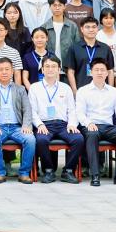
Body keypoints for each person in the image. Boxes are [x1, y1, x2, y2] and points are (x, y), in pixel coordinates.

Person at [76, 59, 116, 186]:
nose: (99, 72)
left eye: (102, 70)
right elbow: (80, 113)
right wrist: (88, 123)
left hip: (109, 127)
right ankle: (95, 175)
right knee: (92, 135)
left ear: (107, 73)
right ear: (91, 72)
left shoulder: (114, 91)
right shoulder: (83, 91)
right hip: (91, 126)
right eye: (96, 70)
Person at [28, 56, 83, 184]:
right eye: (47, 66)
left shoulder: (65, 88)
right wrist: (39, 125)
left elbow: (72, 110)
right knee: (41, 140)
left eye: (54, 66)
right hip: (44, 124)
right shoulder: (35, 88)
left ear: (59, 70)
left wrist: (72, 124)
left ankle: (68, 170)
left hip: (63, 125)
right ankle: (48, 171)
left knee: (78, 139)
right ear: (42, 69)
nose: (50, 69)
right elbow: (32, 111)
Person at [0, 58, 35, 184]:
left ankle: (24, 173)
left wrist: (26, 125)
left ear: (12, 71)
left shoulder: (20, 89)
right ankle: (0, 173)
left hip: (17, 127)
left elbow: (27, 109)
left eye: (7, 69)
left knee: (30, 139)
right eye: (1, 69)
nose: (4, 72)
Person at [64, 16, 111, 92]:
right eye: (87, 27)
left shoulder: (105, 48)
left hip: (103, 90)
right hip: (81, 90)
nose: (91, 30)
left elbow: (110, 70)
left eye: (94, 27)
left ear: (98, 29)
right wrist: (75, 91)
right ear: (82, 29)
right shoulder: (74, 48)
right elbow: (70, 71)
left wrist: (110, 89)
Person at [43, 0, 83, 66]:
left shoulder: (72, 26)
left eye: (60, 5)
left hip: (68, 65)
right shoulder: (44, 27)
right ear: (50, 7)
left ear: (64, 6)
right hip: (50, 67)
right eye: (54, 5)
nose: (57, 8)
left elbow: (78, 47)